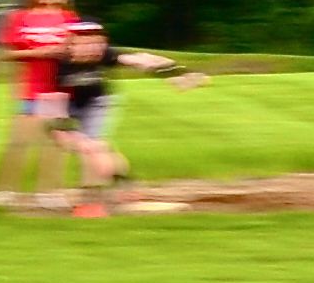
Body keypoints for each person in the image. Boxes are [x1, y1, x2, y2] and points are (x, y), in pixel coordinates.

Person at [42, 20, 207, 213]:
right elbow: (52, 100)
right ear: (71, 44)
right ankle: (122, 185)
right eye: (86, 44)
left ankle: (110, 192)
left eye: (98, 43)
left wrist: (179, 73)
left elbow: (140, 59)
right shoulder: (59, 63)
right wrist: (63, 127)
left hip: (96, 102)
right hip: (61, 104)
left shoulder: (104, 54)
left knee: (95, 146)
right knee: (82, 146)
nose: (94, 49)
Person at [0, 0, 77, 202]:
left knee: (54, 142)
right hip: (30, 89)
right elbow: (7, 53)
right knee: (20, 141)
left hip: (58, 89)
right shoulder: (19, 18)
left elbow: (79, 51)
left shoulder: (70, 19)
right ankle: (4, 190)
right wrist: (43, 52)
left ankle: (49, 192)